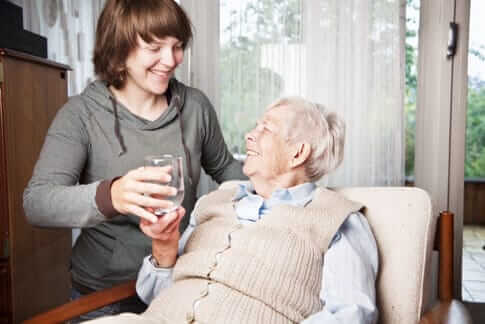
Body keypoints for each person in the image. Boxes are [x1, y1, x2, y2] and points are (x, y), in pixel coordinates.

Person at [22, 0, 245, 320]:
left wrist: (273, 192)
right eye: (155, 47)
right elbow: (37, 202)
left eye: (178, 46)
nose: (170, 60)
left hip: (179, 281)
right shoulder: (79, 115)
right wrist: (110, 195)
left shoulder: (195, 106)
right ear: (119, 47)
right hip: (105, 295)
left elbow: (226, 168)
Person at [87, 96, 379, 324]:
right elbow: (156, 296)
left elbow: (351, 314)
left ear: (298, 153)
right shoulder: (215, 202)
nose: (250, 135)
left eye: (266, 129)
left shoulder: (338, 219)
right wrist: (164, 247)